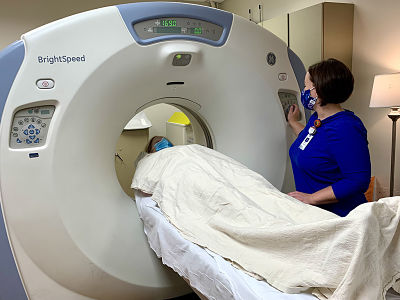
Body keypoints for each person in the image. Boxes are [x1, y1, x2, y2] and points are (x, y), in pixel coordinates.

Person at [287, 58, 371, 217]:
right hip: (316, 212)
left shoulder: (346, 128)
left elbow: (357, 180)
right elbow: (312, 142)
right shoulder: (318, 119)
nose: (303, 90)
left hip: (340, 217)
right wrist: (293, 122)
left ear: (317, 91)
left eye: (306, 85)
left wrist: (311, 198)